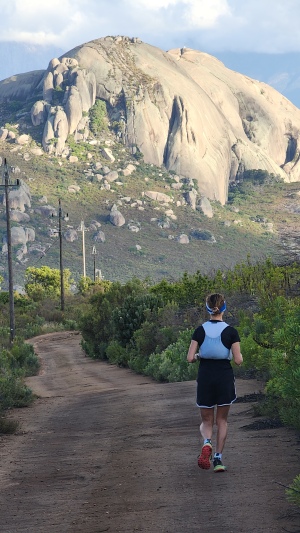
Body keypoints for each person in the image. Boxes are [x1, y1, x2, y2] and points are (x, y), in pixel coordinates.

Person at [186, 293, 243, 473]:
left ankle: (207, 442)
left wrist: (198, 356)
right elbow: (238, 360)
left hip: (205, 377)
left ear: (207, 308)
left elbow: (189, 358)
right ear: (224, 307)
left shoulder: (200, 330)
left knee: (206, 420)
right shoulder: (231, 332)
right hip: (224, 377)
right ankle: (218, 459)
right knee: (222, 420)